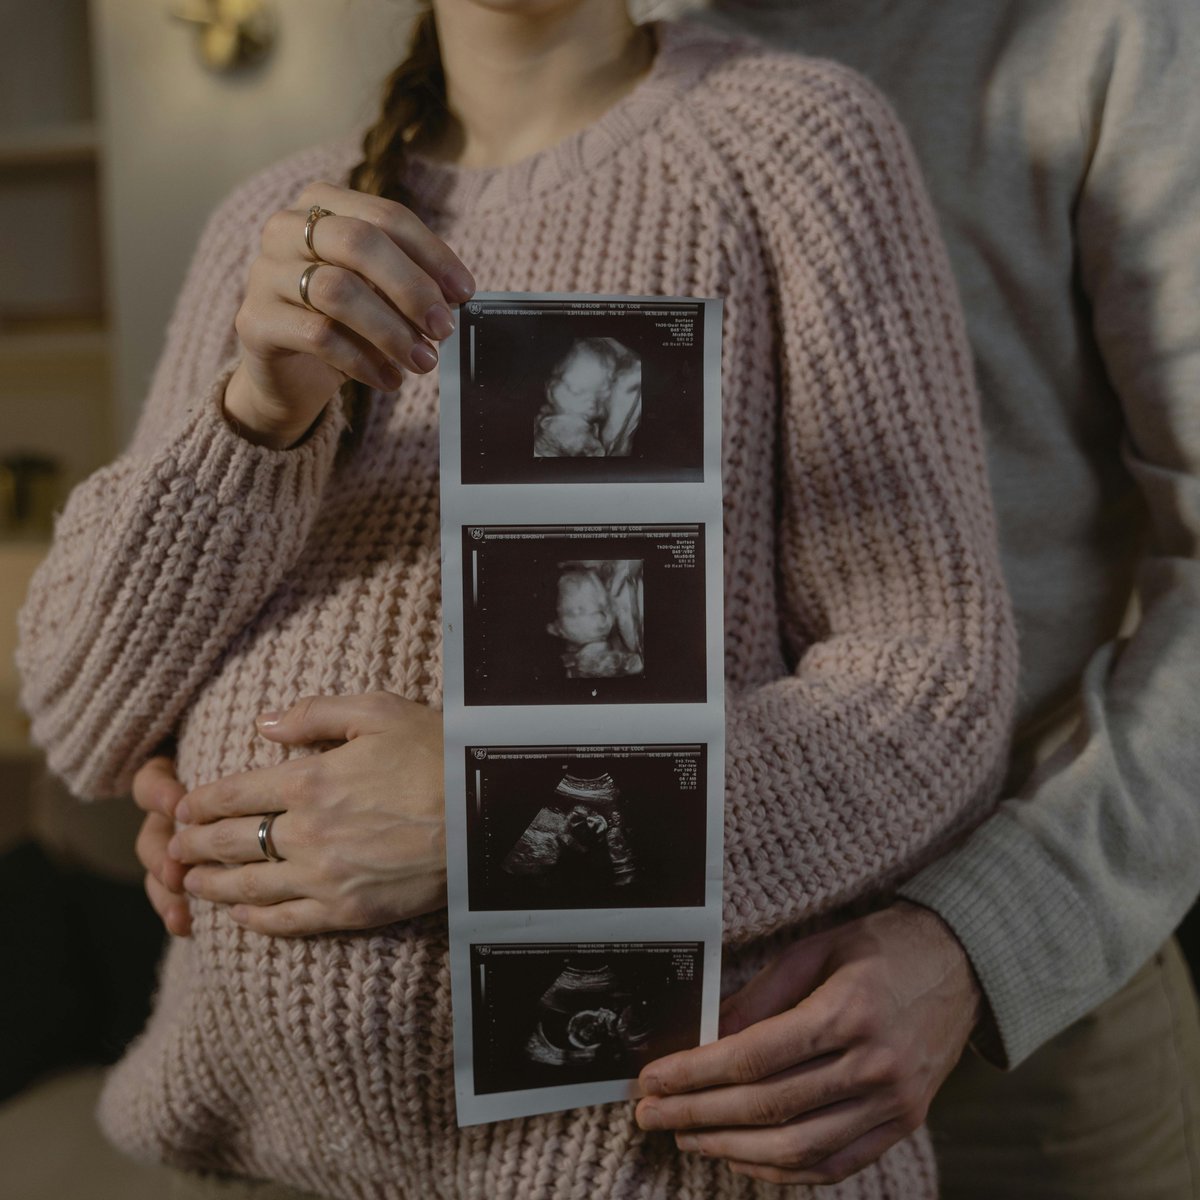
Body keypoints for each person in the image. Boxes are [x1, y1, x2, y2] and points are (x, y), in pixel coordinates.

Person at [17, 3, 1019, 1198]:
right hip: (275, 1162)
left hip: (667, 1166)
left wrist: (502, 819)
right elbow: (80, 716)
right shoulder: (282, 218)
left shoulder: (789, 144)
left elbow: (934, 682)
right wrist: (257, 412)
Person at [627, 0, 1200, 1194]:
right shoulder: (559, 29)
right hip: (613, 1041)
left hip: (1017, 1041)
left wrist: (982, 940)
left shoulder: (1110, 29)